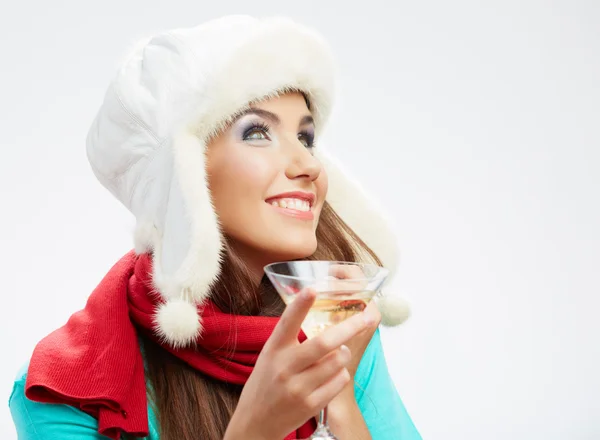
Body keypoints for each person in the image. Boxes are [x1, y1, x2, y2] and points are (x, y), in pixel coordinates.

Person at [9, 15, 421, 440]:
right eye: (258, 132)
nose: (310, 165)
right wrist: (254, 430)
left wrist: (339, 401)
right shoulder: (67, 388)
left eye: (306, 137)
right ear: (178, 175)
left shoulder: (333, 329)